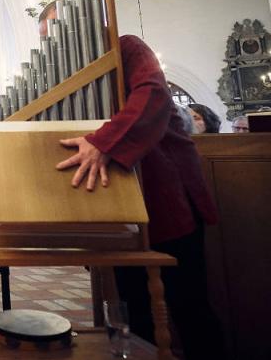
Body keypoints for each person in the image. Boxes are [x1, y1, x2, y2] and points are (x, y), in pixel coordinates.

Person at [56, 35, 224, 360]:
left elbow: (153, 94)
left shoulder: (126, 47)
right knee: (132, 310)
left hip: (166, 194)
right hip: (117, 203)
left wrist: (104, 141)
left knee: (189, 305)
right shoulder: (70, 68)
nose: (55, 40)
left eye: (57, 30)